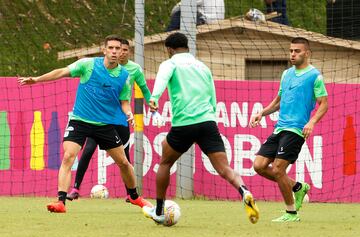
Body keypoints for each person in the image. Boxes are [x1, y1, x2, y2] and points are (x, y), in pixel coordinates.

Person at [18, 35, 152, 213]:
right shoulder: (87, 65)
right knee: (68, 156)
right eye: (110, 48)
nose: (114, 51)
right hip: (80, 120)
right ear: (104, 50)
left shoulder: (124, 76)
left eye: (117, 49)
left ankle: (135, 197)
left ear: (122, 52)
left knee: (124, 163)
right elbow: (61, 71)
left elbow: (124, 101)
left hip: (105, 124)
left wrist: (128, 113)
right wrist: (36, 79)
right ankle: (61, 201)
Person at [142, 32, 259, 224]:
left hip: (184, 124)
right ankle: (244, 190)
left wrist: (154, 98)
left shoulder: (170, 63)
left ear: (169, 49)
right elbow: (212, 95)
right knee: (224, 168)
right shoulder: (202, 66)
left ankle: (160, 211)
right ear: (187, 47)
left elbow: (162, 79)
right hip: (207, 122)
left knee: (165, 163)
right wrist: (210, 117)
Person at [250, 37, 328, 222]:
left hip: (296, 130)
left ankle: (291, 213)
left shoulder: (314, 76)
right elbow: (278, 101)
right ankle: (298, 187)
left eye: (297, 51)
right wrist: (262, 113)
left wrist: (311, 122)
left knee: (277, 169)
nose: (293, 54)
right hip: (280, 129)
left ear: (307, 53)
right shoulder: (286, 74)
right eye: (291, 50)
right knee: (259, 166)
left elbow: (324, 104)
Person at [66, 38, 152, 202]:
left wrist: (151, 103)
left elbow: (143, 88)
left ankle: (131, 194)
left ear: (126, 52)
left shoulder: (132, 70)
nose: (119, 52)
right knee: (89, 148)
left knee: (124, 157)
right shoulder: (101, 66)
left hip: (120, 119)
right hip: (100, 118)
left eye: (123, 50)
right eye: (114, 48)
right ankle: (75, 188)